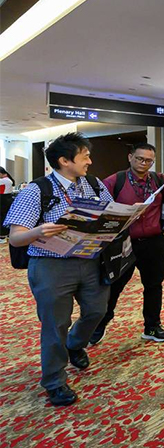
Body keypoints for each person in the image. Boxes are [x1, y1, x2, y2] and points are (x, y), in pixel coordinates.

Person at [3, 133, 113, 407]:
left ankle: (74, 344)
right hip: (51, 266)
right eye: (85, 156)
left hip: (90, 260)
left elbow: (110, 213)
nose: (90, 161)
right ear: (64, 161)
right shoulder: (36, 190)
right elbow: (15, 238)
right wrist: (39, 231)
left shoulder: (93, 184)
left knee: (97, 311)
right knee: (55, 324)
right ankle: (54, 381)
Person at [92, 143, 164, 345]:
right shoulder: (114, 181)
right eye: (140, 159)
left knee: (154, 285)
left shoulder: (161, 181)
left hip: (154, 242)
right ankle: (99, 324)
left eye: (149, 160)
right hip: (123, 243)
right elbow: (101, 212)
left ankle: (152, 326)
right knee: (114, 286)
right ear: (130, 157)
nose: (144, 163)